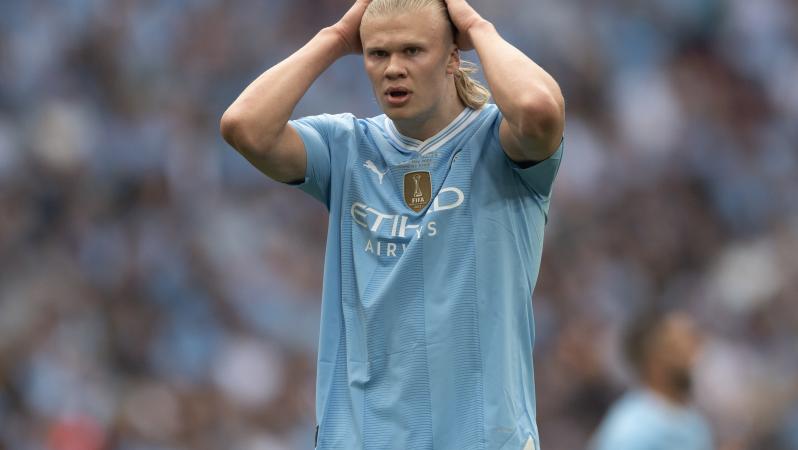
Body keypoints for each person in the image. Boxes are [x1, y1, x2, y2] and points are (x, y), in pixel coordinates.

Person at [220, 0, 564, 448]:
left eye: (413, 51)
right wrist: (336, 38)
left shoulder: (501, 143)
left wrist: (477, 26)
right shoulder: (347, 146)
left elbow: (539, 107)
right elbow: (244, 126)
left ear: (452, 57)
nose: (393, 68)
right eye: (378, 53)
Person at [588, 310, 714, 450]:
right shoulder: (629, 431)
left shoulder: (694, 422)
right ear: (654, 360)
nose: (693, 356)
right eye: (679, 347)